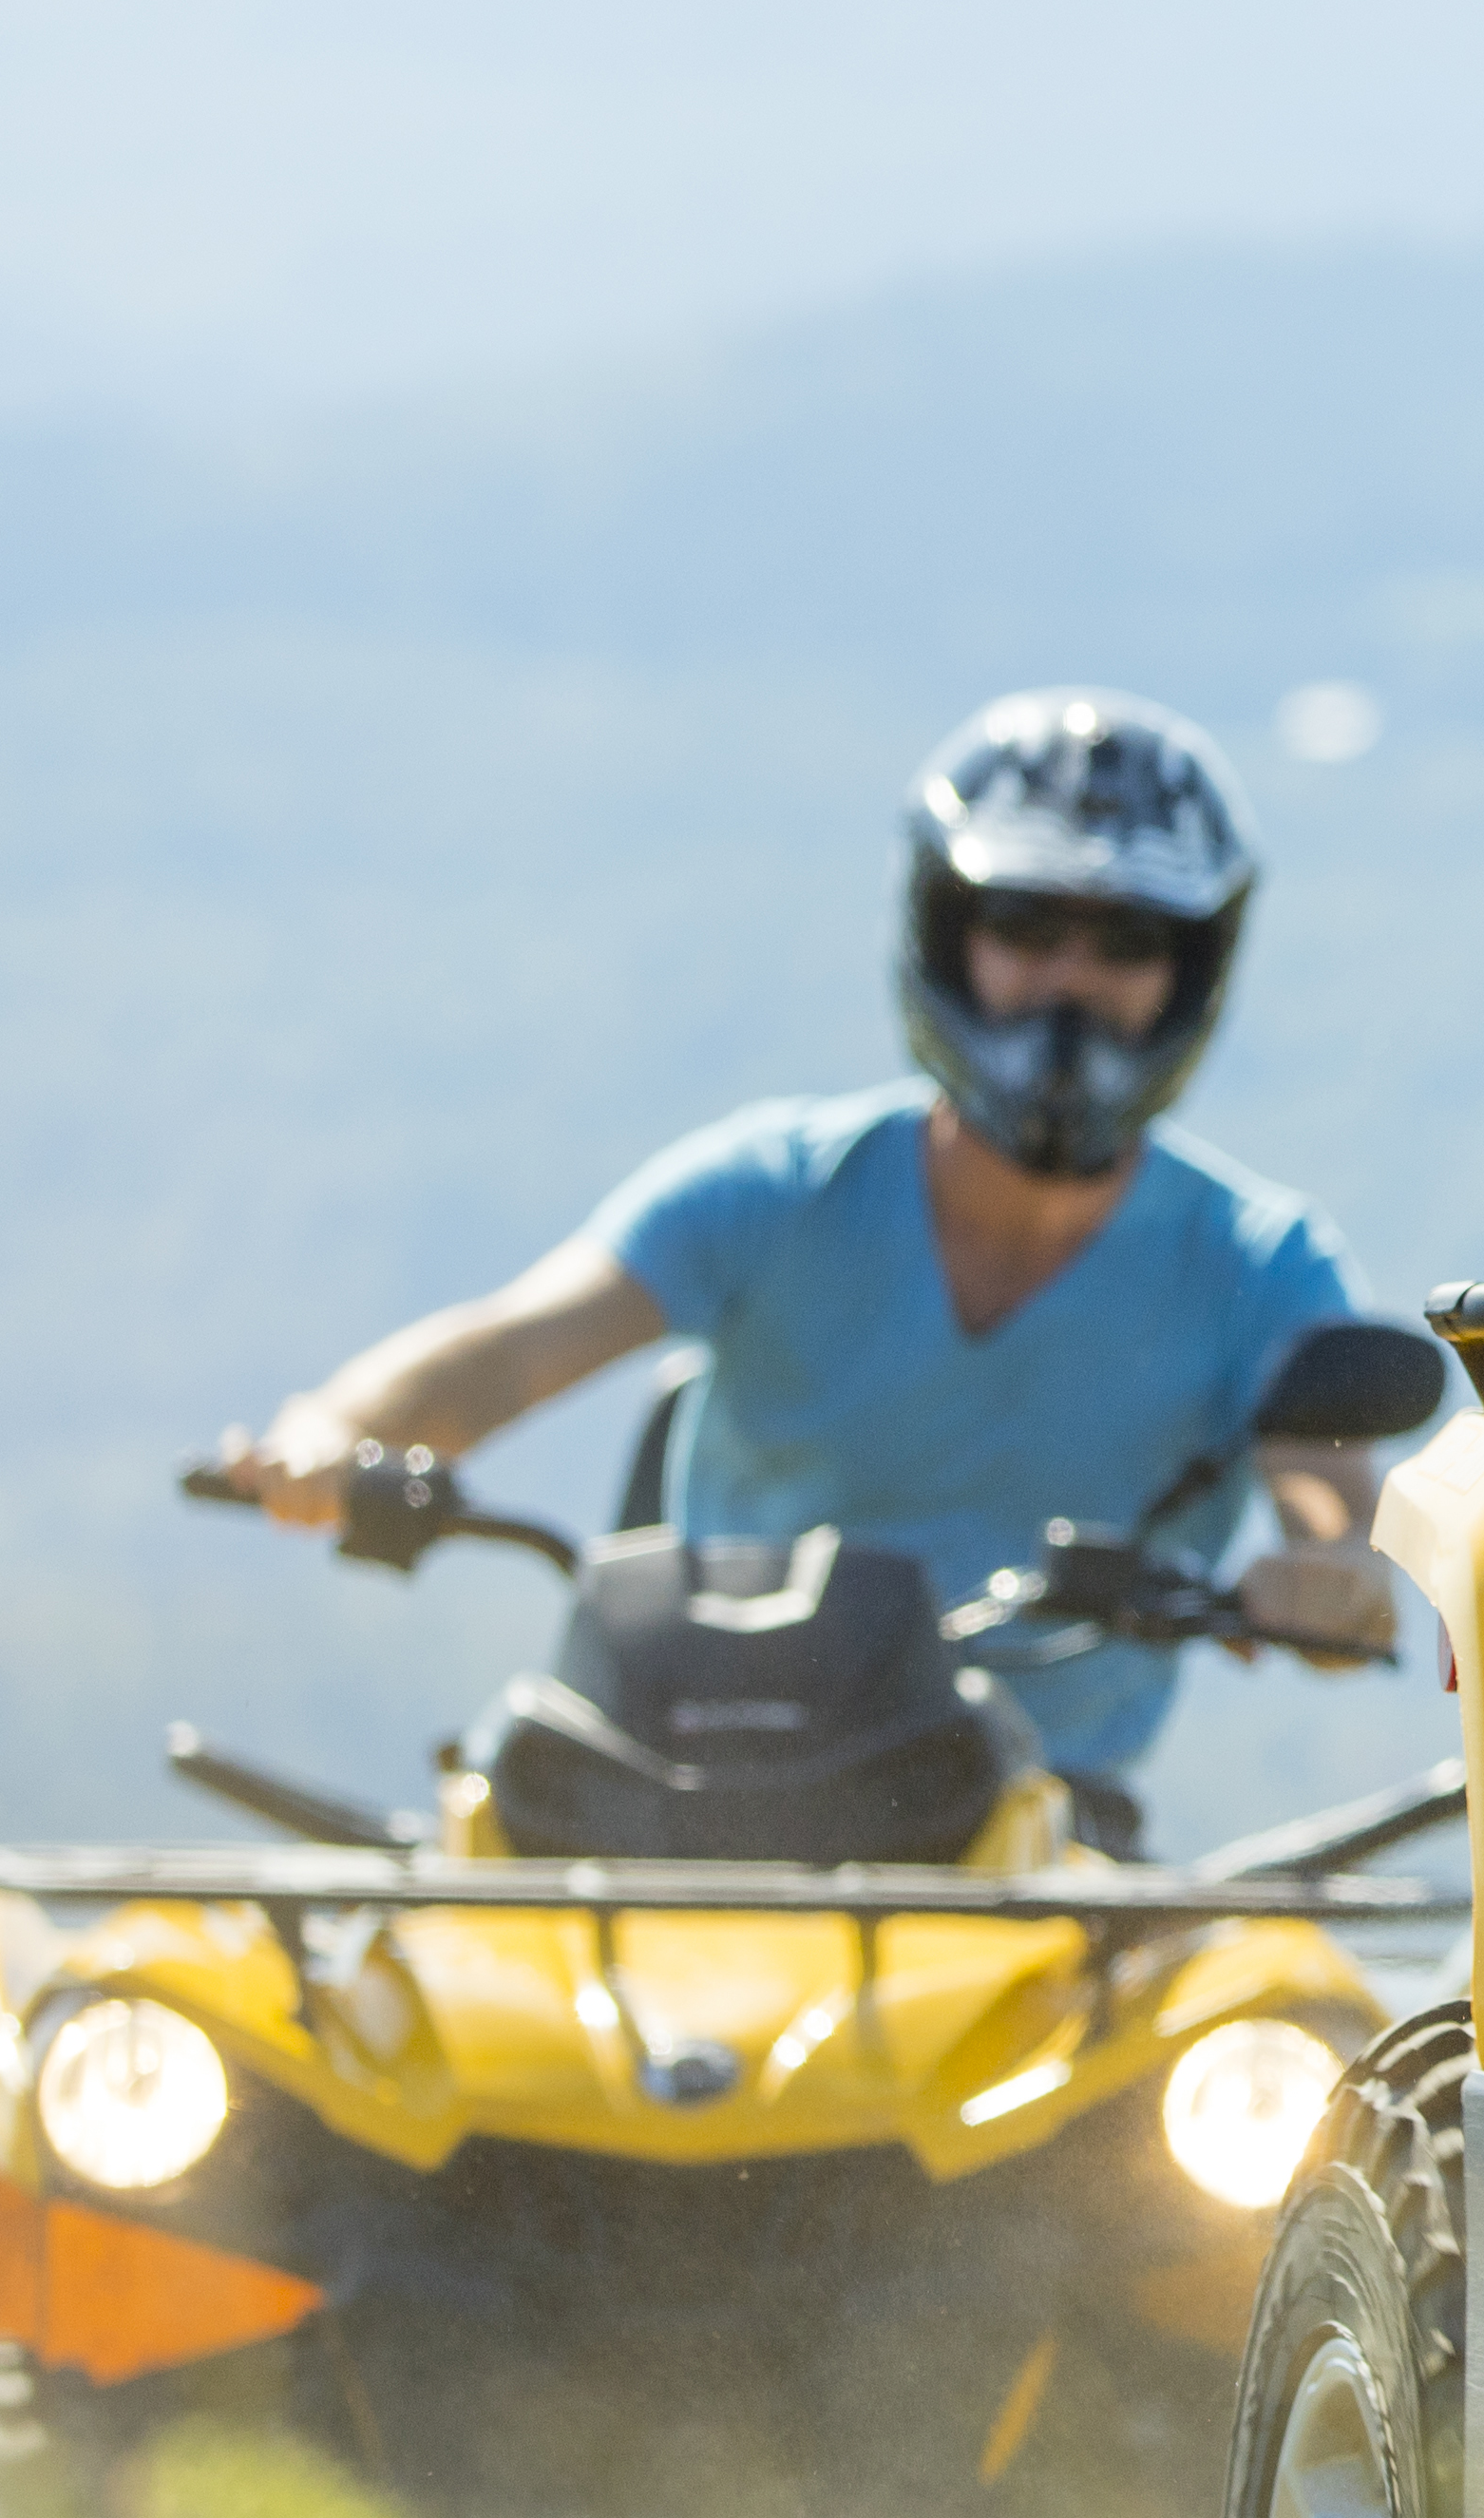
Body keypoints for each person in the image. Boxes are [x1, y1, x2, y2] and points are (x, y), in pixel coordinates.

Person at [221, 692, 1419, 1831]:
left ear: (1190, 968)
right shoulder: (776, 1188)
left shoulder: (1261, 1265)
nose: (1069, 978)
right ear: (949, 937)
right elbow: (512, 1350)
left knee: (1277, 2031)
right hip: (667, 1777)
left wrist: (1326, 1570)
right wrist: (339, 1428)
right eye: (1023, 925)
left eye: (1127, 940)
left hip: (1044, 1855)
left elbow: (1326, 1485)